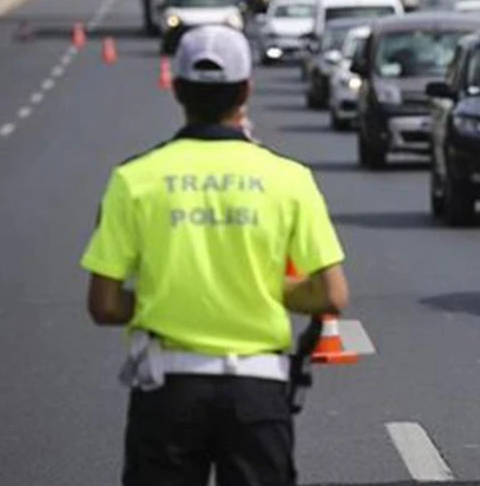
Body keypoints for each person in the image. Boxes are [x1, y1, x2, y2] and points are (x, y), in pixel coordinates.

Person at [81, 25, 350, 486]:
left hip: (167, 389)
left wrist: (165, 295)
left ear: (178, 89)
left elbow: (104, 305)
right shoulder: (289, 179)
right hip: (258, 392)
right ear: (246, 90)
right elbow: (331, 294)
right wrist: (263, 289)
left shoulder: (134, 179)